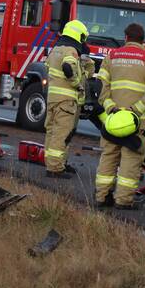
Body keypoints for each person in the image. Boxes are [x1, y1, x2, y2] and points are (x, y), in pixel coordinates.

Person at [94, 23, 145, 209]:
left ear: (126, 38)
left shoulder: (112, 56)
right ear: (143, 40)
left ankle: (101, 197)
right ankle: (123, 201)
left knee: (109, 156)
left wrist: (111, 108)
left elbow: (100, 87)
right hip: (137, 121)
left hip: (113, 119)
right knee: (131, 159)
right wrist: (136, 111)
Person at [44, 19, 93, 178]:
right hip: (66, 100)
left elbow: (48, 67)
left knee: (52, 132)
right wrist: (77, 83)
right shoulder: (71, 50)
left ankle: (54, 163)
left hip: (53, 98)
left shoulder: (56, 49)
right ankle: (55, 169)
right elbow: (68, 67)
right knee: (62, 133)